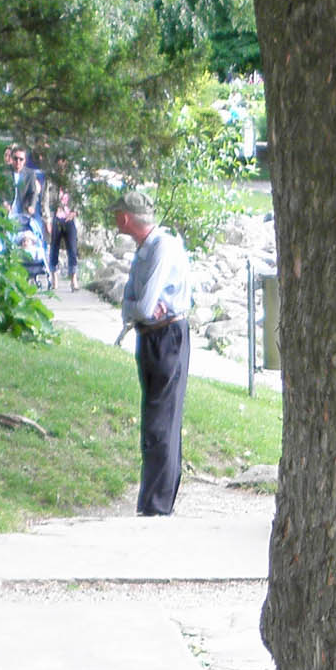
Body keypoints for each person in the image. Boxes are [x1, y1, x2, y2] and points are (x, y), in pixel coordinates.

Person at [114, 189, 194, 516]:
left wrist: (135, 308)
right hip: (149, 336)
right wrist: (135, 308)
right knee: (153, 418)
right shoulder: (144, 249)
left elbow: (142, 306)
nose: (115, 219)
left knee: (162, 419)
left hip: (167, 336)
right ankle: (152, 502)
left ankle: (157, 506)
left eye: (117, 214)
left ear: (126, 218)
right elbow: (128, 304)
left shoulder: (162, 247)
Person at [52, 188, 81, 287]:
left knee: (72, 249)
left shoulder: (72, 185)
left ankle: (73, 278)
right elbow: (45, 201)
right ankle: (54, 276)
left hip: (69, 220)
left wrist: (75, 212)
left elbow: (78, 202)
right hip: (56, 220)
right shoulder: (51, 185)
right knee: (54, 249)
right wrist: (47, 218)